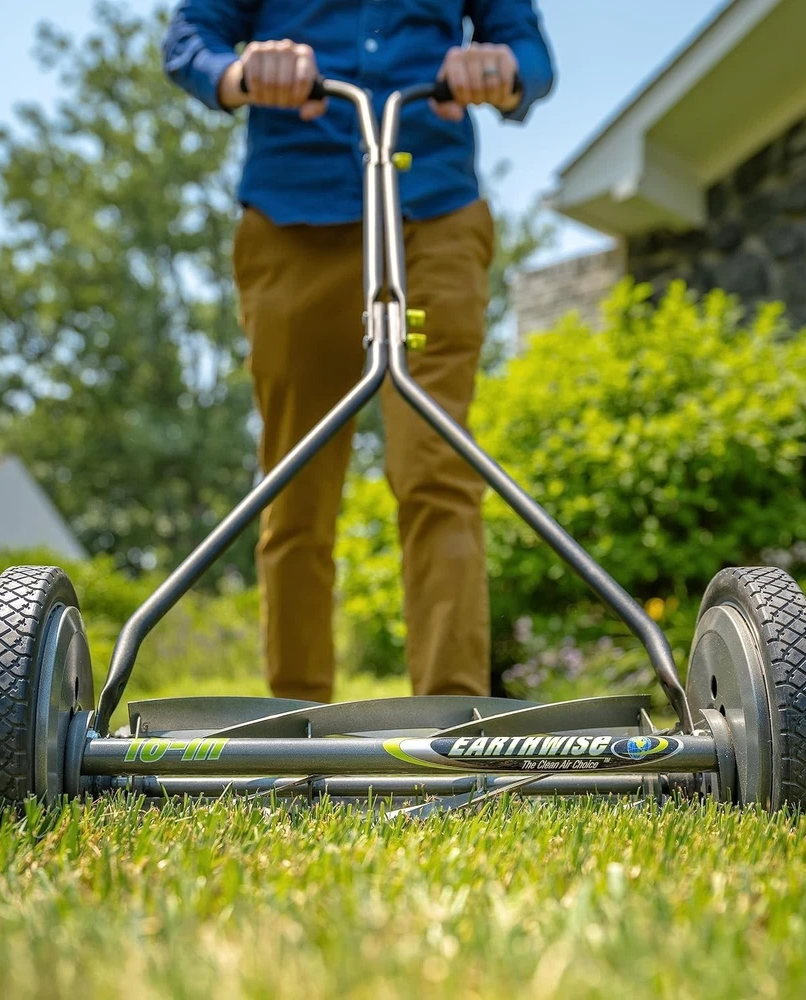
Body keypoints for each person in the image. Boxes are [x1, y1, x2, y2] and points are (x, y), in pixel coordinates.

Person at [164, 2, 554, 704]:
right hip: (293, 217)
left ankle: (451, 715)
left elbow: (528, 48)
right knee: (295, 480)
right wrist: (243, 73)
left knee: (438, 468)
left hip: (433, 215)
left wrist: (501, 69)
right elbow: (192, 38)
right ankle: (293, 721)